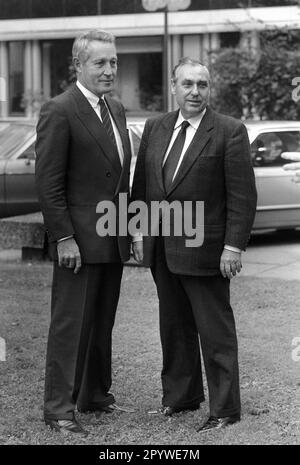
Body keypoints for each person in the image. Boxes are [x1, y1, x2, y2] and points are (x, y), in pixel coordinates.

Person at [131, 57, 257, 432]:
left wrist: (233, 247)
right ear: (174, 87)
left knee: (215, 332)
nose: (195, 92)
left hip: (206, 251)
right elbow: (142, 185)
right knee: (173, 327)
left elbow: (242, 196)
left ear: (209, 89)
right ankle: (182, 397)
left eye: (202, 85)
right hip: (161, 248)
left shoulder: (229, 131)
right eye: (187, 84)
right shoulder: (156, 127)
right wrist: (137, 232)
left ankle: (225, 409)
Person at [35, 30, 132, 435]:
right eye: (100, 63)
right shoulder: (59, 110)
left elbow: (121, 175)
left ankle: (94, 395)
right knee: (70, 325)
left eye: (113, 62)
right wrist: (63, 238)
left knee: (101, 323)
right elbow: (49, 183)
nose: (109, 70)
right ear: (78, 66)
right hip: (77, 241)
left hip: (113, 235)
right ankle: (59, 409)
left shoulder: (116, 109)